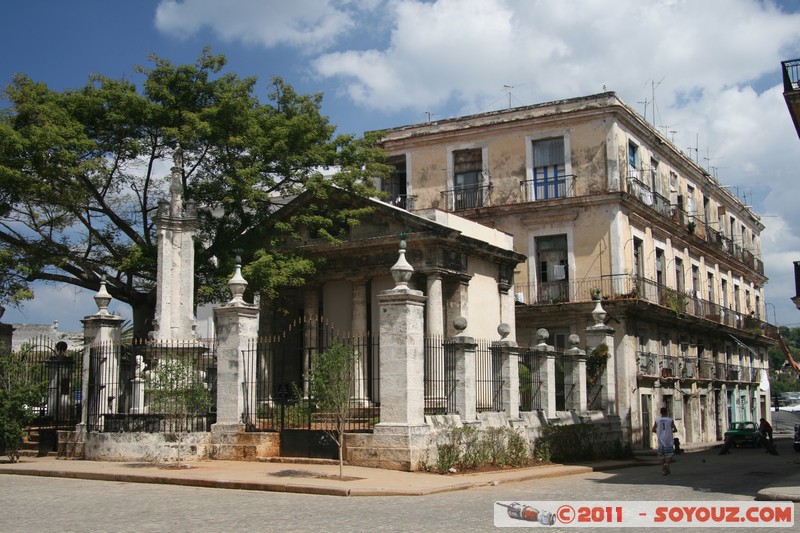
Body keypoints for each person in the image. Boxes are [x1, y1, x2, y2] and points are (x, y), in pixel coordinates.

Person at [652, 407, 678, 475]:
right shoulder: (670, 420)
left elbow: (653, 429)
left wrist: (659, 432)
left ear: (660, 412)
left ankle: (663, 469)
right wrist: (669, 431)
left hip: (660, 440)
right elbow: (675, 429)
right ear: (667, 412)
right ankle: (666, 464)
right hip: (668, 440)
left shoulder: (657, 420)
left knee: (661, 455)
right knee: (669, 454)